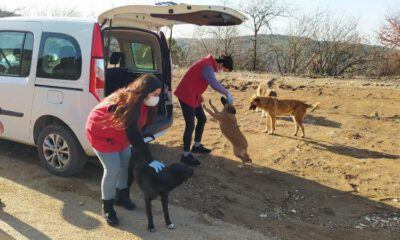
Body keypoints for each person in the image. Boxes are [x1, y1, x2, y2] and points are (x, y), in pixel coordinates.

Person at [85, 73, 165, 226]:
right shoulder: (126, 102)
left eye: (158, 94)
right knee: (112, 170)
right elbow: (134, 135)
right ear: (144, 91)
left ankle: (122, 197)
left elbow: (137, 129)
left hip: (119, 136)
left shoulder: (143, 103)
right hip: (101, 135)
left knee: (125, 164)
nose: (157, 97)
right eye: (154, 94)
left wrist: (143, 137)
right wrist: (150, 159)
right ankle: (107, 207)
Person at [174, 54, 234, 166]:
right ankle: (185, 155)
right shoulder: (207, 66)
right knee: (190, 125)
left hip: (193, 95)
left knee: (202, 118)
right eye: (223, 69)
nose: (221, 71)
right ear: (221, 64)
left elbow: (196, 79)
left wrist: (198, 94)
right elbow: (214, 84)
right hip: (186, 95)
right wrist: (227, 93)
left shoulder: (208, 64)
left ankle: (197, 146)